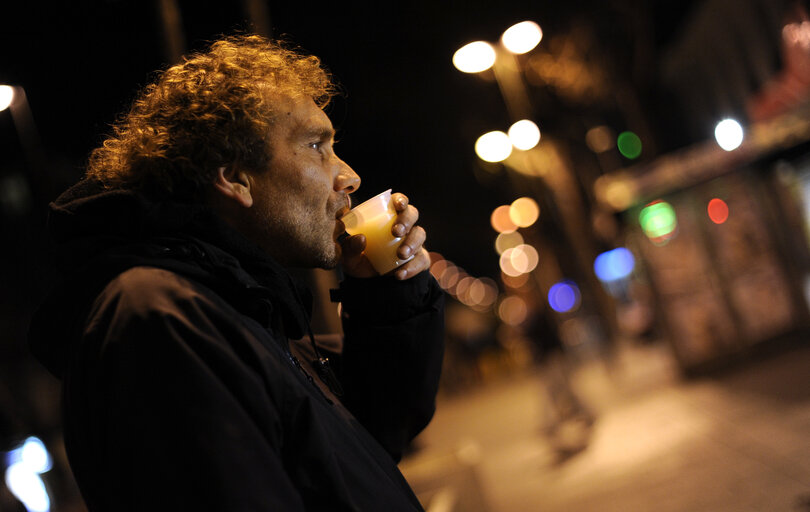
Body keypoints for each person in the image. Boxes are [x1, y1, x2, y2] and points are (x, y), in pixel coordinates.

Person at [28, 34, 444, 511]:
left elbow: (373, 437)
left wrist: (387, 292)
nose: (348, 175)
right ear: (234, 178)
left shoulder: (244, 312)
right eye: (316, 146)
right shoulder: (162, 322)